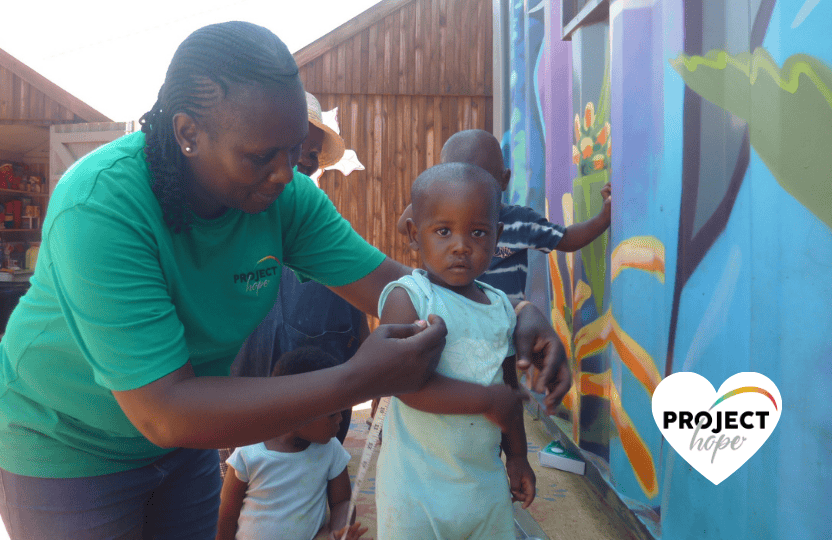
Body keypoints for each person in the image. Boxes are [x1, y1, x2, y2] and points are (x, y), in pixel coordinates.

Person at [0, 22, 566, 540]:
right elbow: (165, 408)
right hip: (65, 445)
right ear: (188, 133)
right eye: (261, 156)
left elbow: (405, 293)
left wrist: (512, 312)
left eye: (293, 152)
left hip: (186, 448)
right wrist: (353, 380)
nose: (286, 175)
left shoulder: (284, 200)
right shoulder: (102, 206)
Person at [377, 162, 536, 539]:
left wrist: (517, 456)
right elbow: (403, 384)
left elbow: (509, 394)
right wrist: (484, 400)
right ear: (415, 234)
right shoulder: (410, 298)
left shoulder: (500, 309)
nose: (461, 245)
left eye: (478, 232)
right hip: (413, 490)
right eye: (443, 231)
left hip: (483, 487)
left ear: (496, 237)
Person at [229, 92, 369, 447]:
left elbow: (366, 323)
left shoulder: (329, 242)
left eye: (307, 158)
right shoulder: (220, 231)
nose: (292, 170)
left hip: (316, 446)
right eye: (273, 154)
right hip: (239, 431)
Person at [398, 129, 612, 300]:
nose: (467, 190)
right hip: (451, 323)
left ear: (503, 180)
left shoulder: (520, 223)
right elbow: (403, 225)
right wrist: (431, 195)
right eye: (456, 179)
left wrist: (604, 217)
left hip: (507, 329)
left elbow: (566, 239)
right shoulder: (437, 218)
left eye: (478, 180)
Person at [217, 347, 369, 540]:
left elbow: (342, 503)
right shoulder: (249, 451)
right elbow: (227, 516)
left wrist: (338, 532)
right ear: (298, 412)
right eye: (332, 414)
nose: (340, 419)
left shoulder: (331, 450)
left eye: (342, 411)